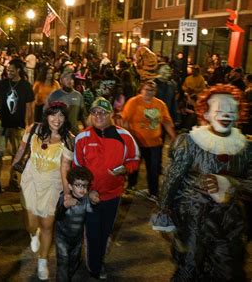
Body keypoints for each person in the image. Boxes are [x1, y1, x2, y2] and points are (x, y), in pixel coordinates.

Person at [158, 84, 252, 281]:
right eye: (218, 110)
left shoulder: (246, 148)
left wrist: (231, 183)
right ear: (206, 114)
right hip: (193, 217)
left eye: (231, 110)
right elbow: (172, 179)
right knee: (190, 265)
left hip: (229, 221)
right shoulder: (190, 142)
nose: (225, 114)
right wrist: (163, 210)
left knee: (228, 270)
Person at [74, 97, 140, 279]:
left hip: (114, 195)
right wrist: (87, 191)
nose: (99, 116)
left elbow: (134, 159)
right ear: (90, 115)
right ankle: (95, 268)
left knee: (105, 232)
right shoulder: (82, 137)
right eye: (95, 112)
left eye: (103, 112)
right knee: (93, 232)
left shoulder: (125, 136)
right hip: (91, 196)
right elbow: (77, 168)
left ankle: (98, 258)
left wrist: (125, 169)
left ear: (110, 114)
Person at [12, 101, 74, 280]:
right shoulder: (34, 129)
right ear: (46, 116)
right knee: (31, 223)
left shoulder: (69, 139)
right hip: (30, 180)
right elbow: (22, 149)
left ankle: (42, 261)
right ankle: (33, 234)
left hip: (51, 185)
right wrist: (14, 169)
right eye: (53, 114)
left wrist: (67, 193)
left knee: (47, 225)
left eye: (61, 115)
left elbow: (65, 168)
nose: (57, 119)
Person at [121, 80, 176, 200]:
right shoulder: (133, 102)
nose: (149, 92)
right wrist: (126, 136)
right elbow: (124, 120)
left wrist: (174, 137)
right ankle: (131, 187)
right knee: (133, 167)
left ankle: (154, 192)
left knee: (154, 169)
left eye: (152, 90)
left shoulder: (160, 104)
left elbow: (166, 121)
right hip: (137, 143)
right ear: (141, 90)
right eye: (146, 89)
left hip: (155, 143)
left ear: (155, 91)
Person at [0, 58, 35, 194]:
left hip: (18, 126)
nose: (9, 72)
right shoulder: (3, 84)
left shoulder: (26, 86)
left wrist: (29, 126)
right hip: (2, 125)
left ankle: (12, 180)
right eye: (8, 70)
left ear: (18, 70)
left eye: (11, 70)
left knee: (17, 155)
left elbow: (29, 109)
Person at [54, 166, 94, 282]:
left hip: (77, 239)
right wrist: (65, 206)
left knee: (74, 262)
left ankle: (68, 276)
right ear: (70, 186)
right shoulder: (64, 198)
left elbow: (91, 217)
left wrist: (95, 203)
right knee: (63, 262)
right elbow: (58, 216)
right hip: (62, 238)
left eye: (85, 186)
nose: (82, 189)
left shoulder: (86, 199)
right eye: (78, 185)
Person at [46, 70, 85, 135]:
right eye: (66, 78)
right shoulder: (54, 96)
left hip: (74, 134)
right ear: (61, 80)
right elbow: (46, 115)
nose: (69, 80)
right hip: (57, 134)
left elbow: (83, 116)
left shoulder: (78, 96)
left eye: (71, 78)